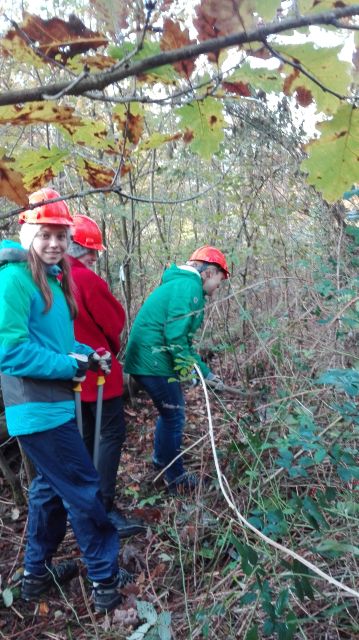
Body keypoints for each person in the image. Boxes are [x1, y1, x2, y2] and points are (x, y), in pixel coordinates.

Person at [0, 188, 132, 613]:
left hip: (53, 406)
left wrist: (86, 355)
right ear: (26, 234)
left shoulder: (54, 278)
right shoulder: (14, 280)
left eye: (60, 233)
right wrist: (66, 366)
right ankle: (105, 581)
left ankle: (35, 578)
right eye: (45, 233)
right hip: (36, 409)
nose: (54, 242)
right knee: (83, 488)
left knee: (49, 491)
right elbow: (9, 350)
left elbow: (57, 341)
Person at [124, 245, 229, 494]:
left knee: (171, 414)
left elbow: (182, 340)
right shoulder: (188, 287)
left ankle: (164, 463)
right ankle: (174, 476)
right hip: (153, 361)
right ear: (208, 272)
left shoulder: (184, 285)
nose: (216, 290)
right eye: (219, 281)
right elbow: (175, 338)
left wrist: (204, 373)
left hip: (150, 359)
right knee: (174, 415)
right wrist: (190, 373)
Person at [67, 214, 145, 537]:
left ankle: (88, 505)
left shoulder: (52, 277)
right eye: (90, 250)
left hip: (71, 377)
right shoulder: (84, 280)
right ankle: (104, 508)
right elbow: (114, 321)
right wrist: (109, 347)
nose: (94, 258)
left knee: (86, 438)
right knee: (110, 435)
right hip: (98, 374)